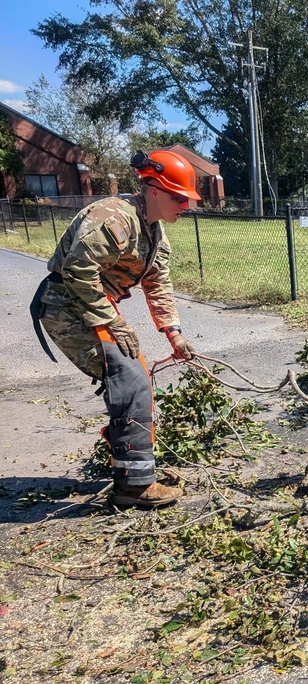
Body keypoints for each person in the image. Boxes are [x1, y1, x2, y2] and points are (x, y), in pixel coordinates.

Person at [30, 149, 201, 508]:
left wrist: (174, 332)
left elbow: (158, 283)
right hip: (65, 306)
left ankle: (134, 467)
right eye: (179, 197)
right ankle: (134, 486)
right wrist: (112, 322)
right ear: (154, 189)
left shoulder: (153, 232)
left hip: (91, 307)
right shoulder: (114, 219)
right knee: (130, 379)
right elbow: (77, 272)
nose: (185, 206)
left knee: (135, 378)